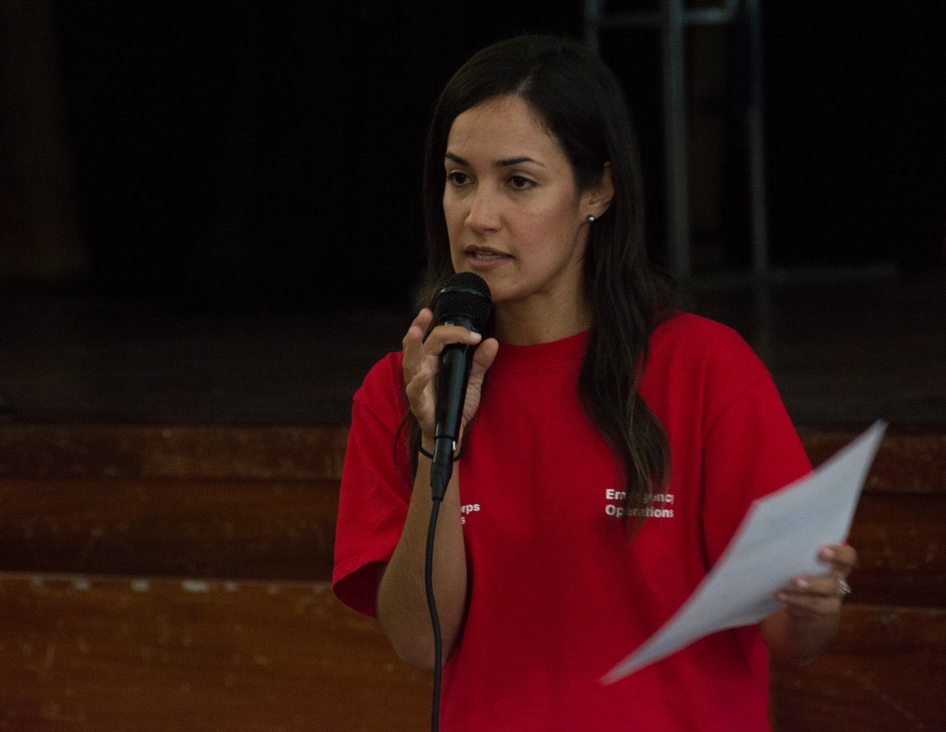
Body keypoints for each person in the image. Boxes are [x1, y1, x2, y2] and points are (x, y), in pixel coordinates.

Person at [332, 34, 856, 730]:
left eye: (518, 182)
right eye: (460, 178)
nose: (478, 216)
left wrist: (814, 602)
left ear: (598, 191)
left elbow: (796, 638)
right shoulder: (405, 386)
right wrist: (439, 443)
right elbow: (422, 642)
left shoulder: (703, 369)